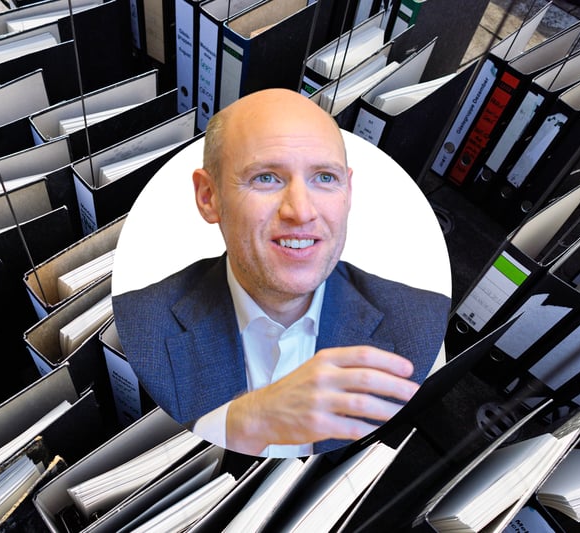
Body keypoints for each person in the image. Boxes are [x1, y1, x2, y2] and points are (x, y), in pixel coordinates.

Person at [113, 88, 450, 456]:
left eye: (325, 178)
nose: (301, 211)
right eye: (266, 178)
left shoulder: (423, 324)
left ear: (349, 192)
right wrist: (238, 424)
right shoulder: (135, 328)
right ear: (209, 197)